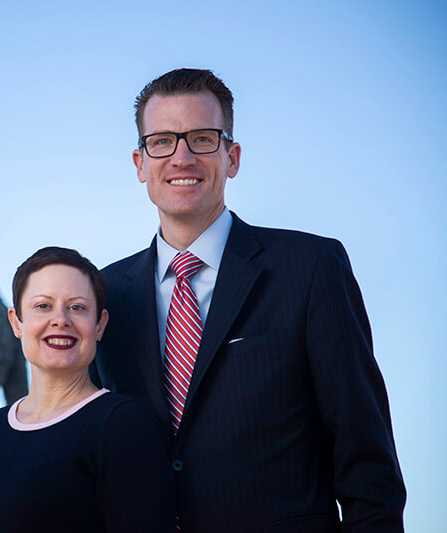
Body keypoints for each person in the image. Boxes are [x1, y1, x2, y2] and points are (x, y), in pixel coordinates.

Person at [90, 69, 406, 532]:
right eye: (161, 141)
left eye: (201, 138)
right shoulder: (104, 295)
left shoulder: (311, 267)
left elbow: (366, 458)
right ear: (140, 163)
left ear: (231, 157)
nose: (181, 156)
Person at [0, 247, 175, 533]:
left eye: (77, 307)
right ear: (16, 322)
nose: (60, 319)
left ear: (99, 325)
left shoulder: (125, 426)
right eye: (43, 306)